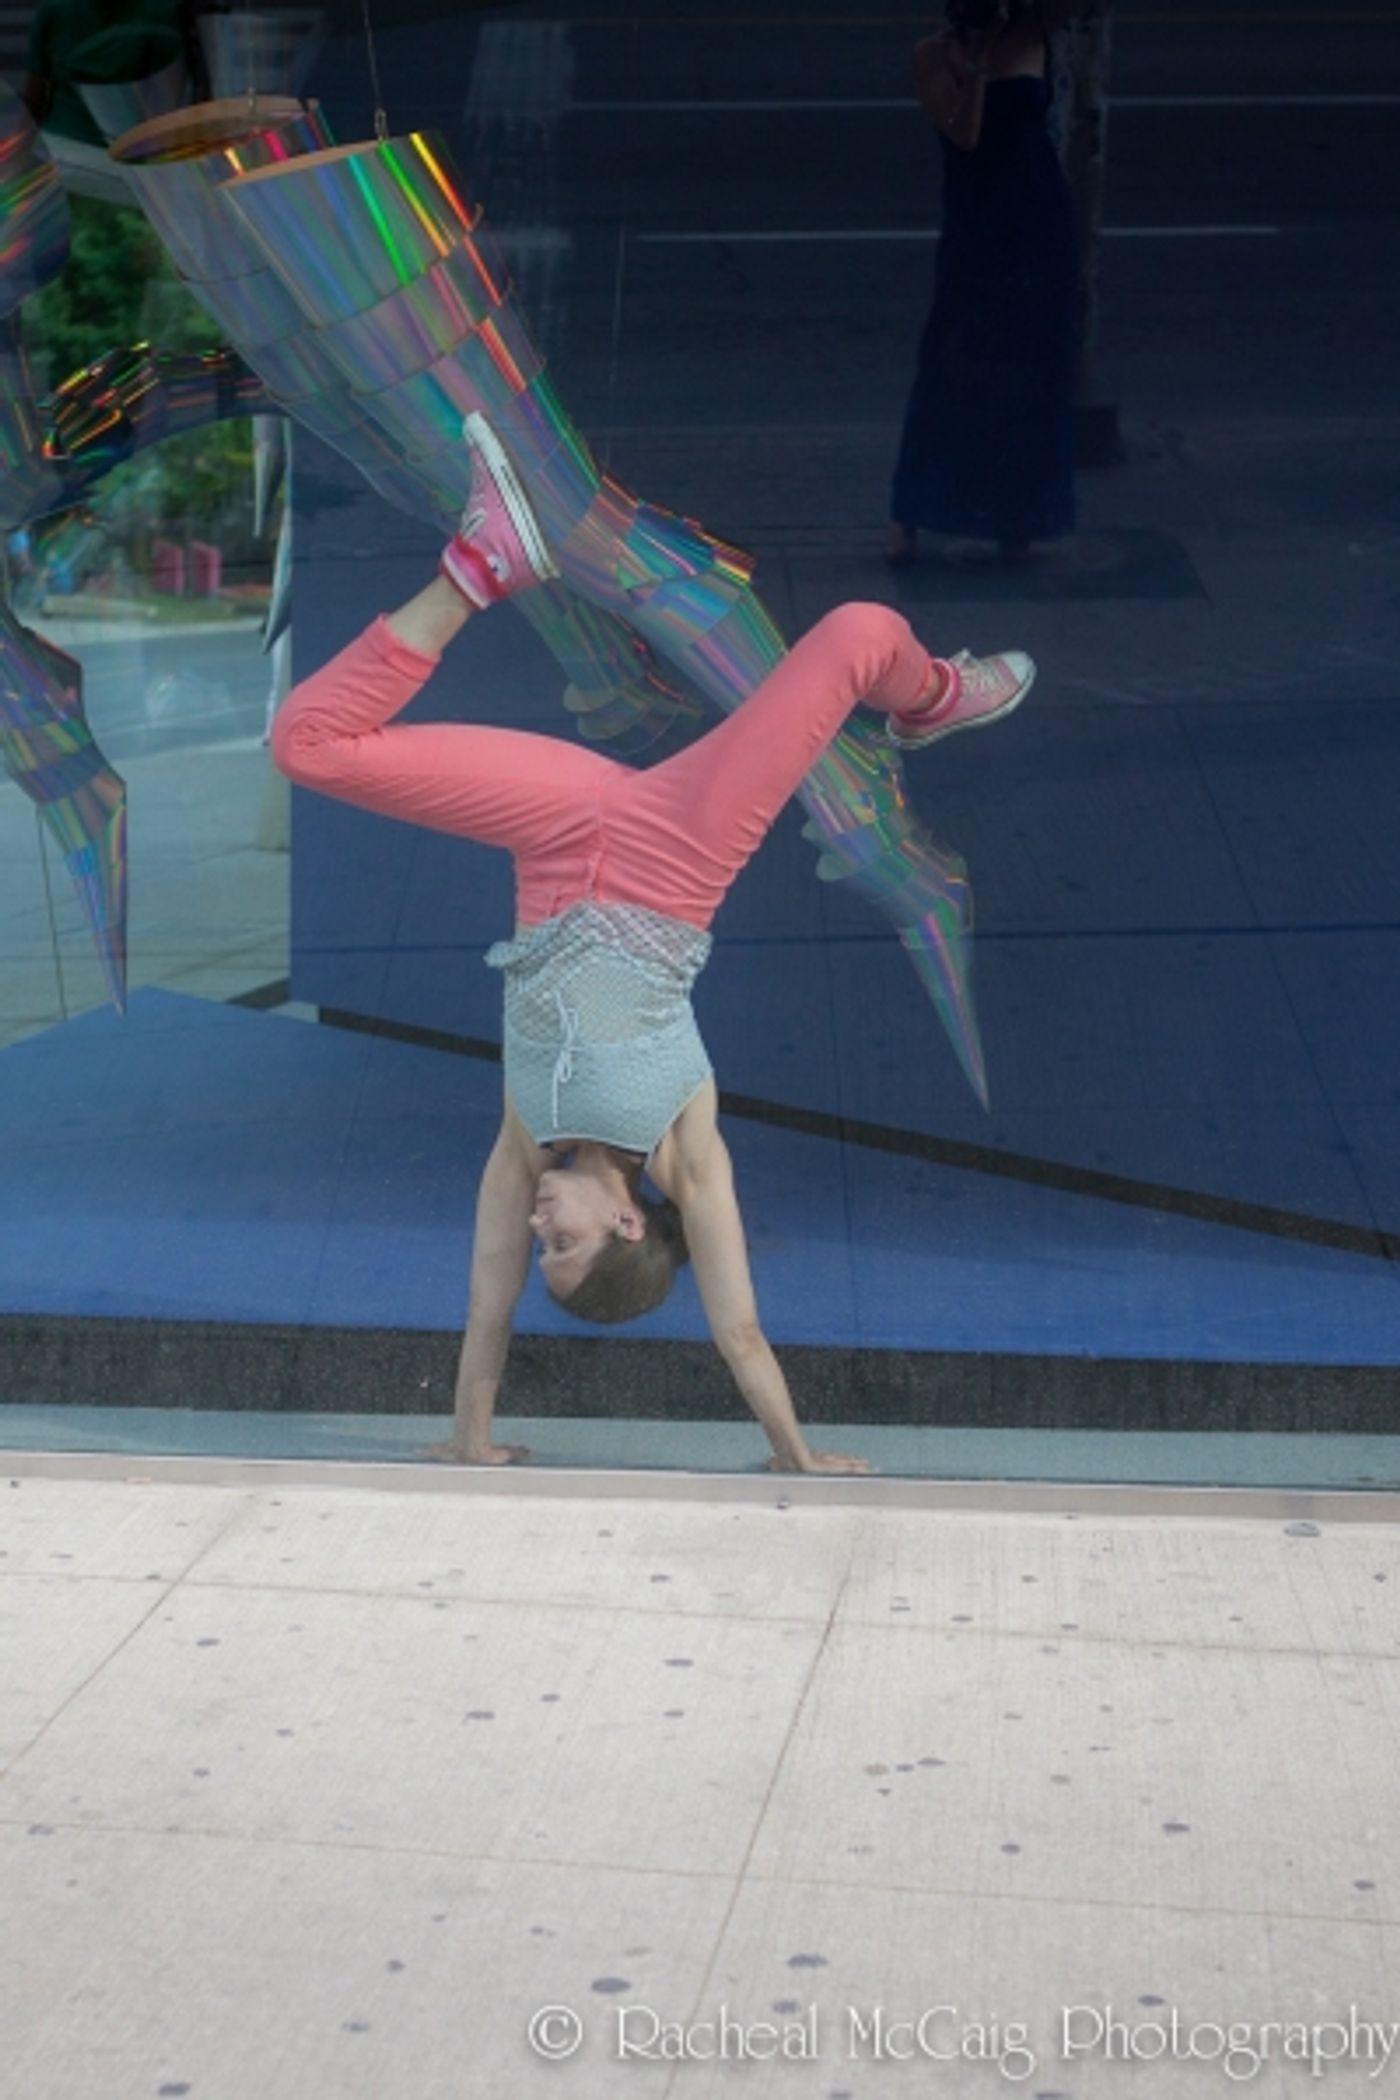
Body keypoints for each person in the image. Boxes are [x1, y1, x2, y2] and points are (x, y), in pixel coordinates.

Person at [271, 416, 1035, 1475]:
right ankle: (933, 698)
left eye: (544, 1249)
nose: (541, 1229)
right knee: (860, 632)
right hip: (677, 853)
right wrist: (794, 1454)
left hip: (556, 834)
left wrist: (470, 1441)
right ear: (628, 1226)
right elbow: (738, 1329)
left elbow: (485, 1307)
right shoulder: (687, 1152)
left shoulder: (519, 1143)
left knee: (306, 744)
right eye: (566, 1243)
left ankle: (482, 561)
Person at [887, 0, 1081, 569]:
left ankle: (1017, 517)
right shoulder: (933, 55)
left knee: (1030, 372)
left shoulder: (1035, 34)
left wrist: (1006, 27)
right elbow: (964, 134)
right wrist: (974, 61)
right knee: (951, 360)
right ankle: (910, 514)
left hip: (1037, 218)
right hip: (977, 221)